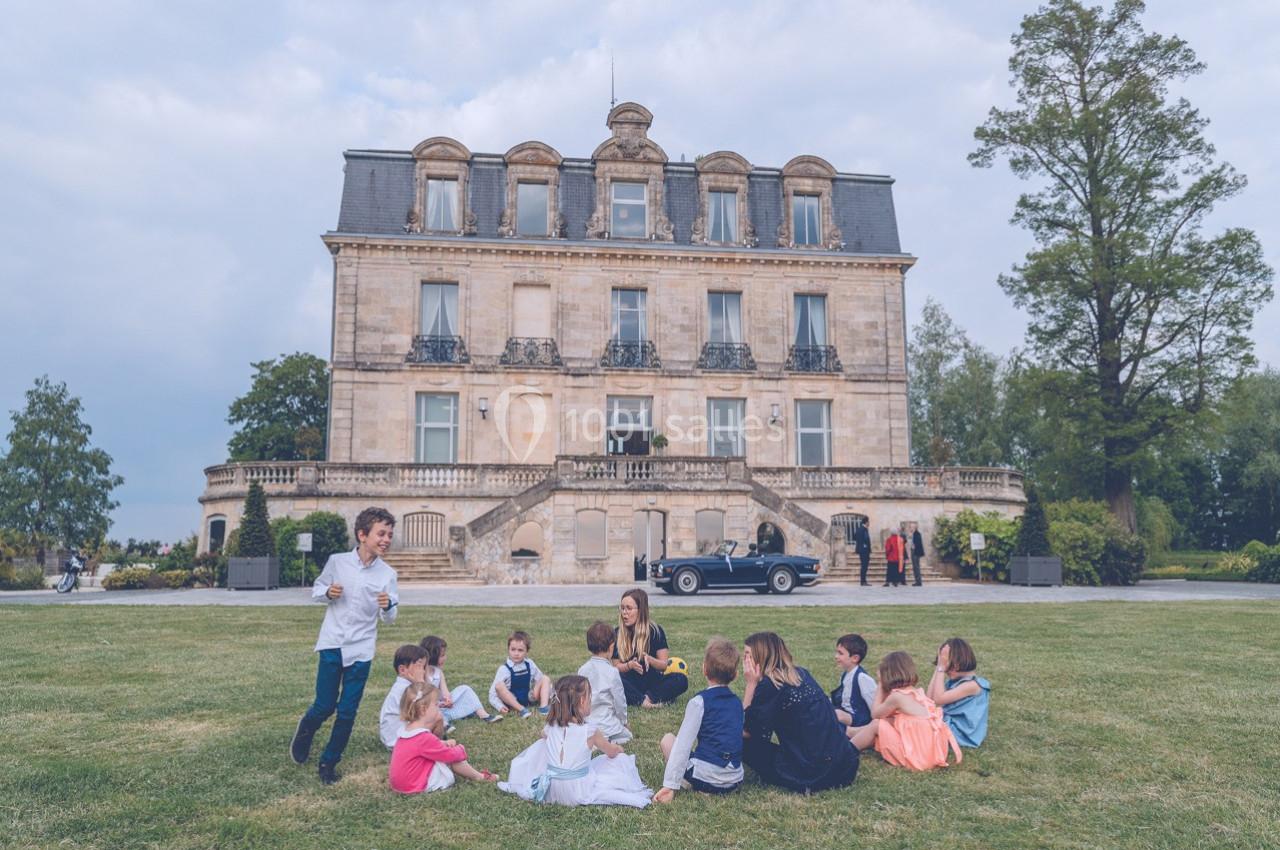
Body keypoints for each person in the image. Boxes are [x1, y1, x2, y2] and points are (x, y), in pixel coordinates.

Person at [290, 507, 399, 785]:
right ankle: (306, 730)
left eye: (389, 534)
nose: (387, 539)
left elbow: (390, 618)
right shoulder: (337, 562)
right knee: (325, 705)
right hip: (332, 643)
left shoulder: (387, 574)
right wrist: (327, 592)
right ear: (362, 535)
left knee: (348, 710)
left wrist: (388, 607)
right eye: (381, 534)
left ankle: (329, 761)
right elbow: (317, 589)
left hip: (362, 650)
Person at [499, 675, 653, 808]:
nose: (591, 701)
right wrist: (618, 749)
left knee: (542, 744)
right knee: (619, 760)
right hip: (576, 791)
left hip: (552, 789)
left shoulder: (551, 726)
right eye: (590, 697)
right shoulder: (590, 730)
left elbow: (543, 736)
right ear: (581, 701)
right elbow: (611, 752)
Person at [741, 632, 858, 793]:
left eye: (747, 655)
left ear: (761, 657)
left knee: (740, 743)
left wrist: (751, 685)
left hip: (812, 774)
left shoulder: (770, 685)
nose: (744, 660)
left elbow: (747, 731)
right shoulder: (801, 674)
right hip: (845, 766)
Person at [654, 638, 744, 803]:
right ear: (735, 675)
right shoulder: (737, 702)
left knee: (668, 740)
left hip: (707, 776)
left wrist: (670, 785)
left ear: (704, 669)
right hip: (734, 779)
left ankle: (693, 784)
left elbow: (683, 745)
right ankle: (706, 784)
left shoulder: (699, 702)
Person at [852, 651, 962, 770]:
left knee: (876, 725)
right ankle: (850, 732)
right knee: (891, 720)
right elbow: (889, 717)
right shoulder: (915, 692)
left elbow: (875, 714)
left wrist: (880, 684)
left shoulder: (897, 697)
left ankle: (848, 748)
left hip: (917, 758)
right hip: (931, 755)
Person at [388, 681, 499, 794]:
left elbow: (425, 747)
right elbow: (450, 755)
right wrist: (459, 749)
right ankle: (480, 777)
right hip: (418, 785)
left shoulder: (406, 731)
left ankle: (478, 775)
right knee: (453, 759)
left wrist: (443, 744)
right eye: (436, 704)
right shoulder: (424, 737)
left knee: (444, 753)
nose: (439, 707)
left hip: (402, 785)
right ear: (423, 709)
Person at [613, 588, 689, 707]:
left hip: (652, 682)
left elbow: (664, 665)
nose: (624, 612)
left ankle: (647, 698)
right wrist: (629, 665)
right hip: (629, 682)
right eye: (622, 608)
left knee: (680, 679)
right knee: (614, 679)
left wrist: (650, 659)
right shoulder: (617, 634)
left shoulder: (655, 632)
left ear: (641, 610)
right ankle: (645, 702)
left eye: (629, 608)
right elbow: (615, 668)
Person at [420, 635, 501, 731]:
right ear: (432, 656)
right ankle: (443, 724)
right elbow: (425, 697)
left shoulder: (438, 672)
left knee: (465, 689)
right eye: (442, 656)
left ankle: (483, 714)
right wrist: (437, 704)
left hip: (443, 706)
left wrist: (448, 700)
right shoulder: (421, 674)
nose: (445, 658)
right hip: (431, 708)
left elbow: (445, 692)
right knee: (430, 708)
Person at [926, 638, 991, 748]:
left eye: (947, 666)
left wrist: (941, 668)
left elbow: (938, 699)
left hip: (960, 733)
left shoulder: (972, 685)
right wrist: (938, 667)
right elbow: (929, 699)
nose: (945, 671)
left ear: (956, 664)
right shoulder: (955, 682)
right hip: (949, 724)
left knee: (916, 722)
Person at [577, 621, 631, 744]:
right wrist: (624, 722)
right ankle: (606, 740)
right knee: (628, 736)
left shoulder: (582, 670)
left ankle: (596, 739)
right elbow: (620, 701)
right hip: (608, 726)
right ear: (611, 646)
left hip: (587, 725)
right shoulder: (612, 672)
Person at [379, 643, 431, 749]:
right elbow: (426, 711)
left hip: (395, 737)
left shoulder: (406, 686)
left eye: (424, 667)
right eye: (419, 666)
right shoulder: (405, 689)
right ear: (402, 670)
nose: (423, 671)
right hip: (398, 739)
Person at [488, 630, 551, 717]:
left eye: (520, 650)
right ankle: (522, 710)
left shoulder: (530, 664)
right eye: (513, 650)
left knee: (545, 678)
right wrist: (499, 706)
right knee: (499, 685)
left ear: (526, 651)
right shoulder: (504, 669)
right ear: (508, 649)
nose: (516, 653)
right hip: (511, 701)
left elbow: (540, 681)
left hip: (528, 698)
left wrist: (551, 695)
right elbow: (492, 694)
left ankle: (544, 708)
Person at [830, 633, 878, 735]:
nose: (836, 656)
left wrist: (873, 725)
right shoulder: (846, 674)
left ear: (855, 658)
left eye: (840, 653)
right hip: (846, 712)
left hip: (859, 718)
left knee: (837, 715)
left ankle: (851, 732)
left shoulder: (863, 678)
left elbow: (874, 704)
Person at [854, 520, 872, 586]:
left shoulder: (858, 529)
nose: (869, 523)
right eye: (869, 522)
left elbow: (854, 537)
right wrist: (866, 546)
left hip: (860, 550)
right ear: (866, 522)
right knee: (864, 566)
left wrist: (859, 543)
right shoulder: (865, 529)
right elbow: (867, 539)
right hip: (865, 550)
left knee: (863, 566)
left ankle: (863, 581)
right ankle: (863, 581)